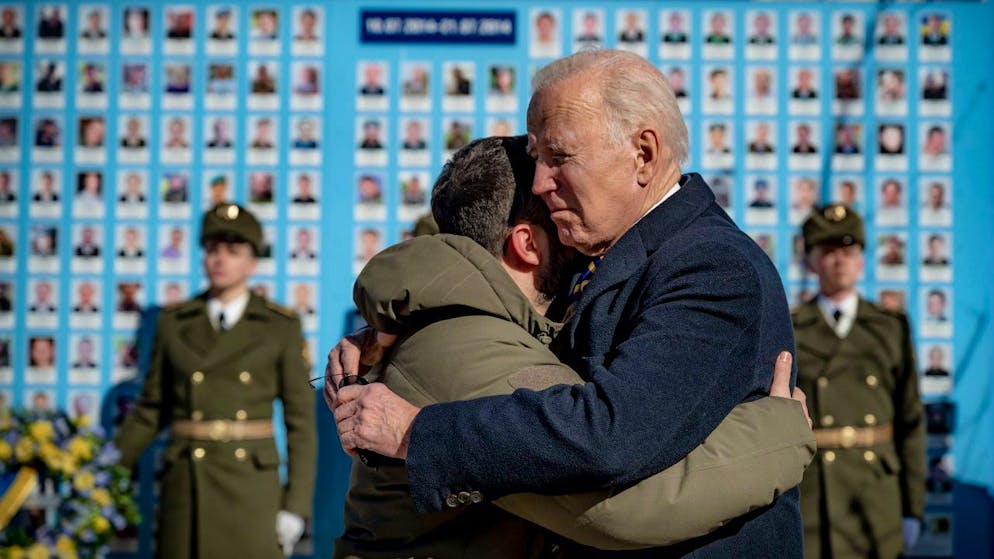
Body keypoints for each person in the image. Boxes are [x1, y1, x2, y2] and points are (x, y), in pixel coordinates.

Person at [329, 50, 806, 557]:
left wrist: (417, 432)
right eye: (536, 158)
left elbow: (611, 437)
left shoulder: (709, 265)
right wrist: (388, 335)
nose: (539, 183)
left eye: (559, 156)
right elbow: (503, 314)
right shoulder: (612, 253)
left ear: (642, 154)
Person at [114, 204, 316, 558]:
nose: (220, 260)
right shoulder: (173, 323)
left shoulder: (279, 327)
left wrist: (295, 506)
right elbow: (150, 410)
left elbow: (300, 423)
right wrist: (103, 472)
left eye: (233, 251)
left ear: (252, 262)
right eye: (212, 250)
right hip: (186, 485)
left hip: (250, 490)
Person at [793, 205, 925, 558]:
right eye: (829, 252)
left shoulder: (889, 327)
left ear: (863, 260)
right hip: (814, 493)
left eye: (849, 252)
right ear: (811, 261)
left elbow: (910, 422)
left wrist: (913, 508)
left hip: (875, 494)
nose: (840, 261)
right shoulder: (791, 327)